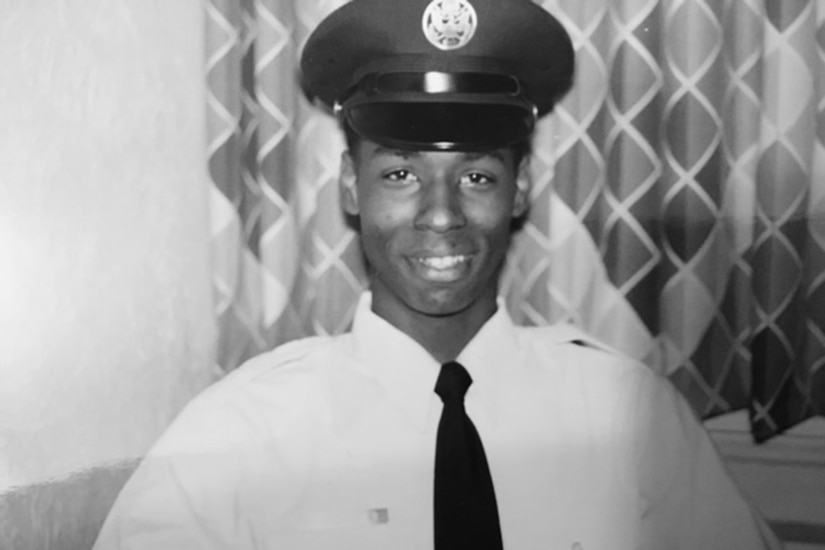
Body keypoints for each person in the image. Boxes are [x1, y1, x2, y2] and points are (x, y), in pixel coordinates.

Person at [93, 0, 783, 548]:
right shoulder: (238, 435)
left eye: (477, 175)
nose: (442, 213)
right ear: (349, 188)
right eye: (399, 173)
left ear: (518, 191)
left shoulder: (627, 414)